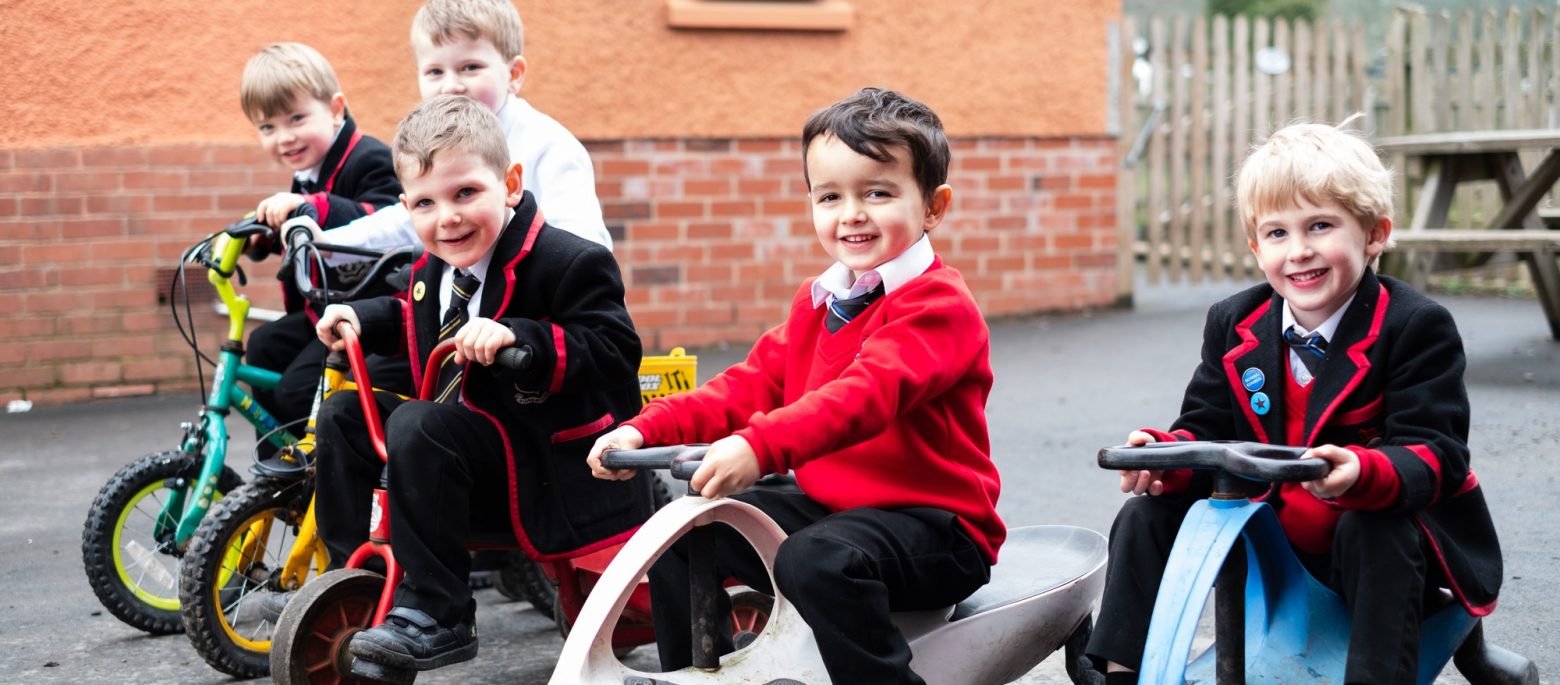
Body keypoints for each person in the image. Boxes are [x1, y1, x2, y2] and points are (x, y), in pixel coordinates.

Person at [587, 87, 1005, 684]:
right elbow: (748, 386)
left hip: (936, 528)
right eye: (830, 196)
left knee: (814, 560)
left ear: (933, 207)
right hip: (834, 507)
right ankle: (700, 672)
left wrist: (759, 449)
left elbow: (864, 395)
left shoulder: (938, 307)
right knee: (688, 529)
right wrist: (642, 426)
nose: (851, 213)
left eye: (878, 193)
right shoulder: (821, 302)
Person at [1086, 120, 1504, 684]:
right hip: (1276, 532)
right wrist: (1167, 457)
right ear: (1257, 248)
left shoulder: (1414, 326)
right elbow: (1206, 424)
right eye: (1277, 233)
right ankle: (1119, 669)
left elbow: (1437, 454)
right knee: (1146, 513)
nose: (1299, 251)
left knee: (1373, 528)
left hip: (1375, 535)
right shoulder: (1235, 322)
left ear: (1374, 234)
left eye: (1321, 226)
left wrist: (1363, 470)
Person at [308, 95, 651, 673]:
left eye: (466, 193)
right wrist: (362, 317)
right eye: (425, 203)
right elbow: (415, 315)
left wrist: (525, 339)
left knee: (419, 422)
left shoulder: (570, 262)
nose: (448, 218)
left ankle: (440, 612)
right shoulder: (433, 270)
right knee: (344, 414)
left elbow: (615, 349)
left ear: (510, 184)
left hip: (542, 465)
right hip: (457, 457)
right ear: (405, 206)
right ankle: (357, 582)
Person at [317, 0, 609, 256]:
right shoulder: (437, 144)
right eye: (435, 72)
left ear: (513, 74)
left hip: (540, 311)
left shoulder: (549, 146)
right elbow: (405, 220)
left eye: (470, 67)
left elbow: (582, 241)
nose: (451, 86)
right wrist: (329, 244)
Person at [238, 42, 410, 440]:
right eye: (268, 127)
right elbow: (313, 235)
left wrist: (310, 205)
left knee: (295, 390)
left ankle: (317, 461)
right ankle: (279, 466)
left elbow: (387, 218)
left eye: (296, 118)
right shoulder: (308, 168)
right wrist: (266, 239)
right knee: (263, 346)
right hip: (324, 308)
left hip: (370, 314)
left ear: (335, 110)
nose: (284, 138)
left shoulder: (370, 159)